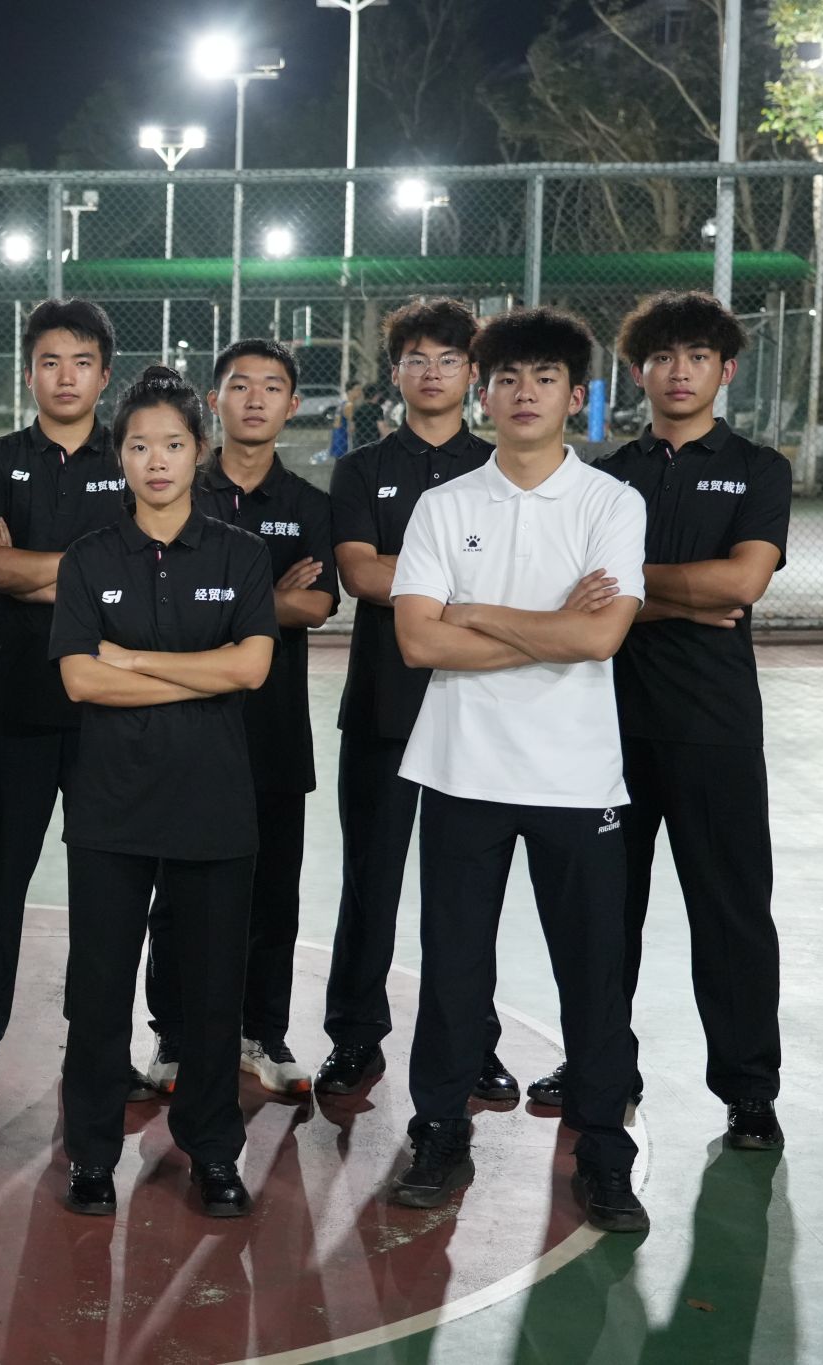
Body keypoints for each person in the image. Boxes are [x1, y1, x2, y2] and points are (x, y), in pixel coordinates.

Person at [388, 306, 649, 1234]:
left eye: (545, 378)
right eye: (507, 378)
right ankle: (438, 1131)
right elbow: (418, 642)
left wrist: (475, 613)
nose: (524, 392)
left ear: (577, 397)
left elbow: (602, 636)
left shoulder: (611, 503)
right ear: (484, 394)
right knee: (454, 967)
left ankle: (605, 1152)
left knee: (594, 973)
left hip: (577, 779)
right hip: (463, 771)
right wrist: (551, 627)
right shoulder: (445, 505)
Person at [556, 291, 785, 1151]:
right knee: (604, 913)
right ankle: (601, 1069)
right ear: (637, 372)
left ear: (726, 370)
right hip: (607, 725)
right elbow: (578, 593)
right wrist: (683, 594)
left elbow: (743, 583)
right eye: (662, 357)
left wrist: (633, 588)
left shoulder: (758, 468)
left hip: (714, 726)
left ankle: (749, 1089)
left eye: (697, 356)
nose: (678, 371)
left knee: (730, 913)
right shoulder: (605, 475)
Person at [49, 365, 276, 1218]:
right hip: (110, 807)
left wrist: (135, 660)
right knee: (99, 990)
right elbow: (81, 680)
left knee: (212, 995)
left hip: (213, 806)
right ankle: (90, 1154)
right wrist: (199, 672)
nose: (156, 461)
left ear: (199, 451)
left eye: (172, 445)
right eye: (140, 445)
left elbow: (251, 668)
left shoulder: (241, 554)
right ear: (120, 456)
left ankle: (213, 1150)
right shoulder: (89, 558)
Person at [318, 299, 518, 1101]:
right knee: (371, 880)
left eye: (449, 359)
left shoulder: (503, 467)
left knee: (468, 890)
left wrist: (424, 586)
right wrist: (465, 591)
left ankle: (472, 1042)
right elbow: (360, 574)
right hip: (384, 707)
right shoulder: (362, 469)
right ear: (394, 372)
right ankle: (353, 1037)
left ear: (473, 374)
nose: (432, 373)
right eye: (416, 359)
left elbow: (516, 578)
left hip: (480, 706)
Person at [141, 339, 338, 1100]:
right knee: (177, 891)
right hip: (184, 728)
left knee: (272, 893)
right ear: (214, 401)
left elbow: (315, 604)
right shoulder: (177, 489)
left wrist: (217, 599)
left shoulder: (308, 504)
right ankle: (174, 1035)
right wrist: (262, 600)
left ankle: (264, 1032)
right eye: (240, 385)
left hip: (274, 734)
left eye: (272, 387)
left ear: (293, 404)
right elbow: (161, 594)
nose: (255, 399)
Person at [0, 298, 122, 1107]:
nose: (65, 376)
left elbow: (143, 569)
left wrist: (41, 569)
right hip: (16, 703)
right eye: (50, 361)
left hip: (111, 706)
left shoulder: (133, 454)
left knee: (108, 889)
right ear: (28, 372)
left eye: (81, 362)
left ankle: (100, 1047)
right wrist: (96, 571)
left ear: (104, 375)